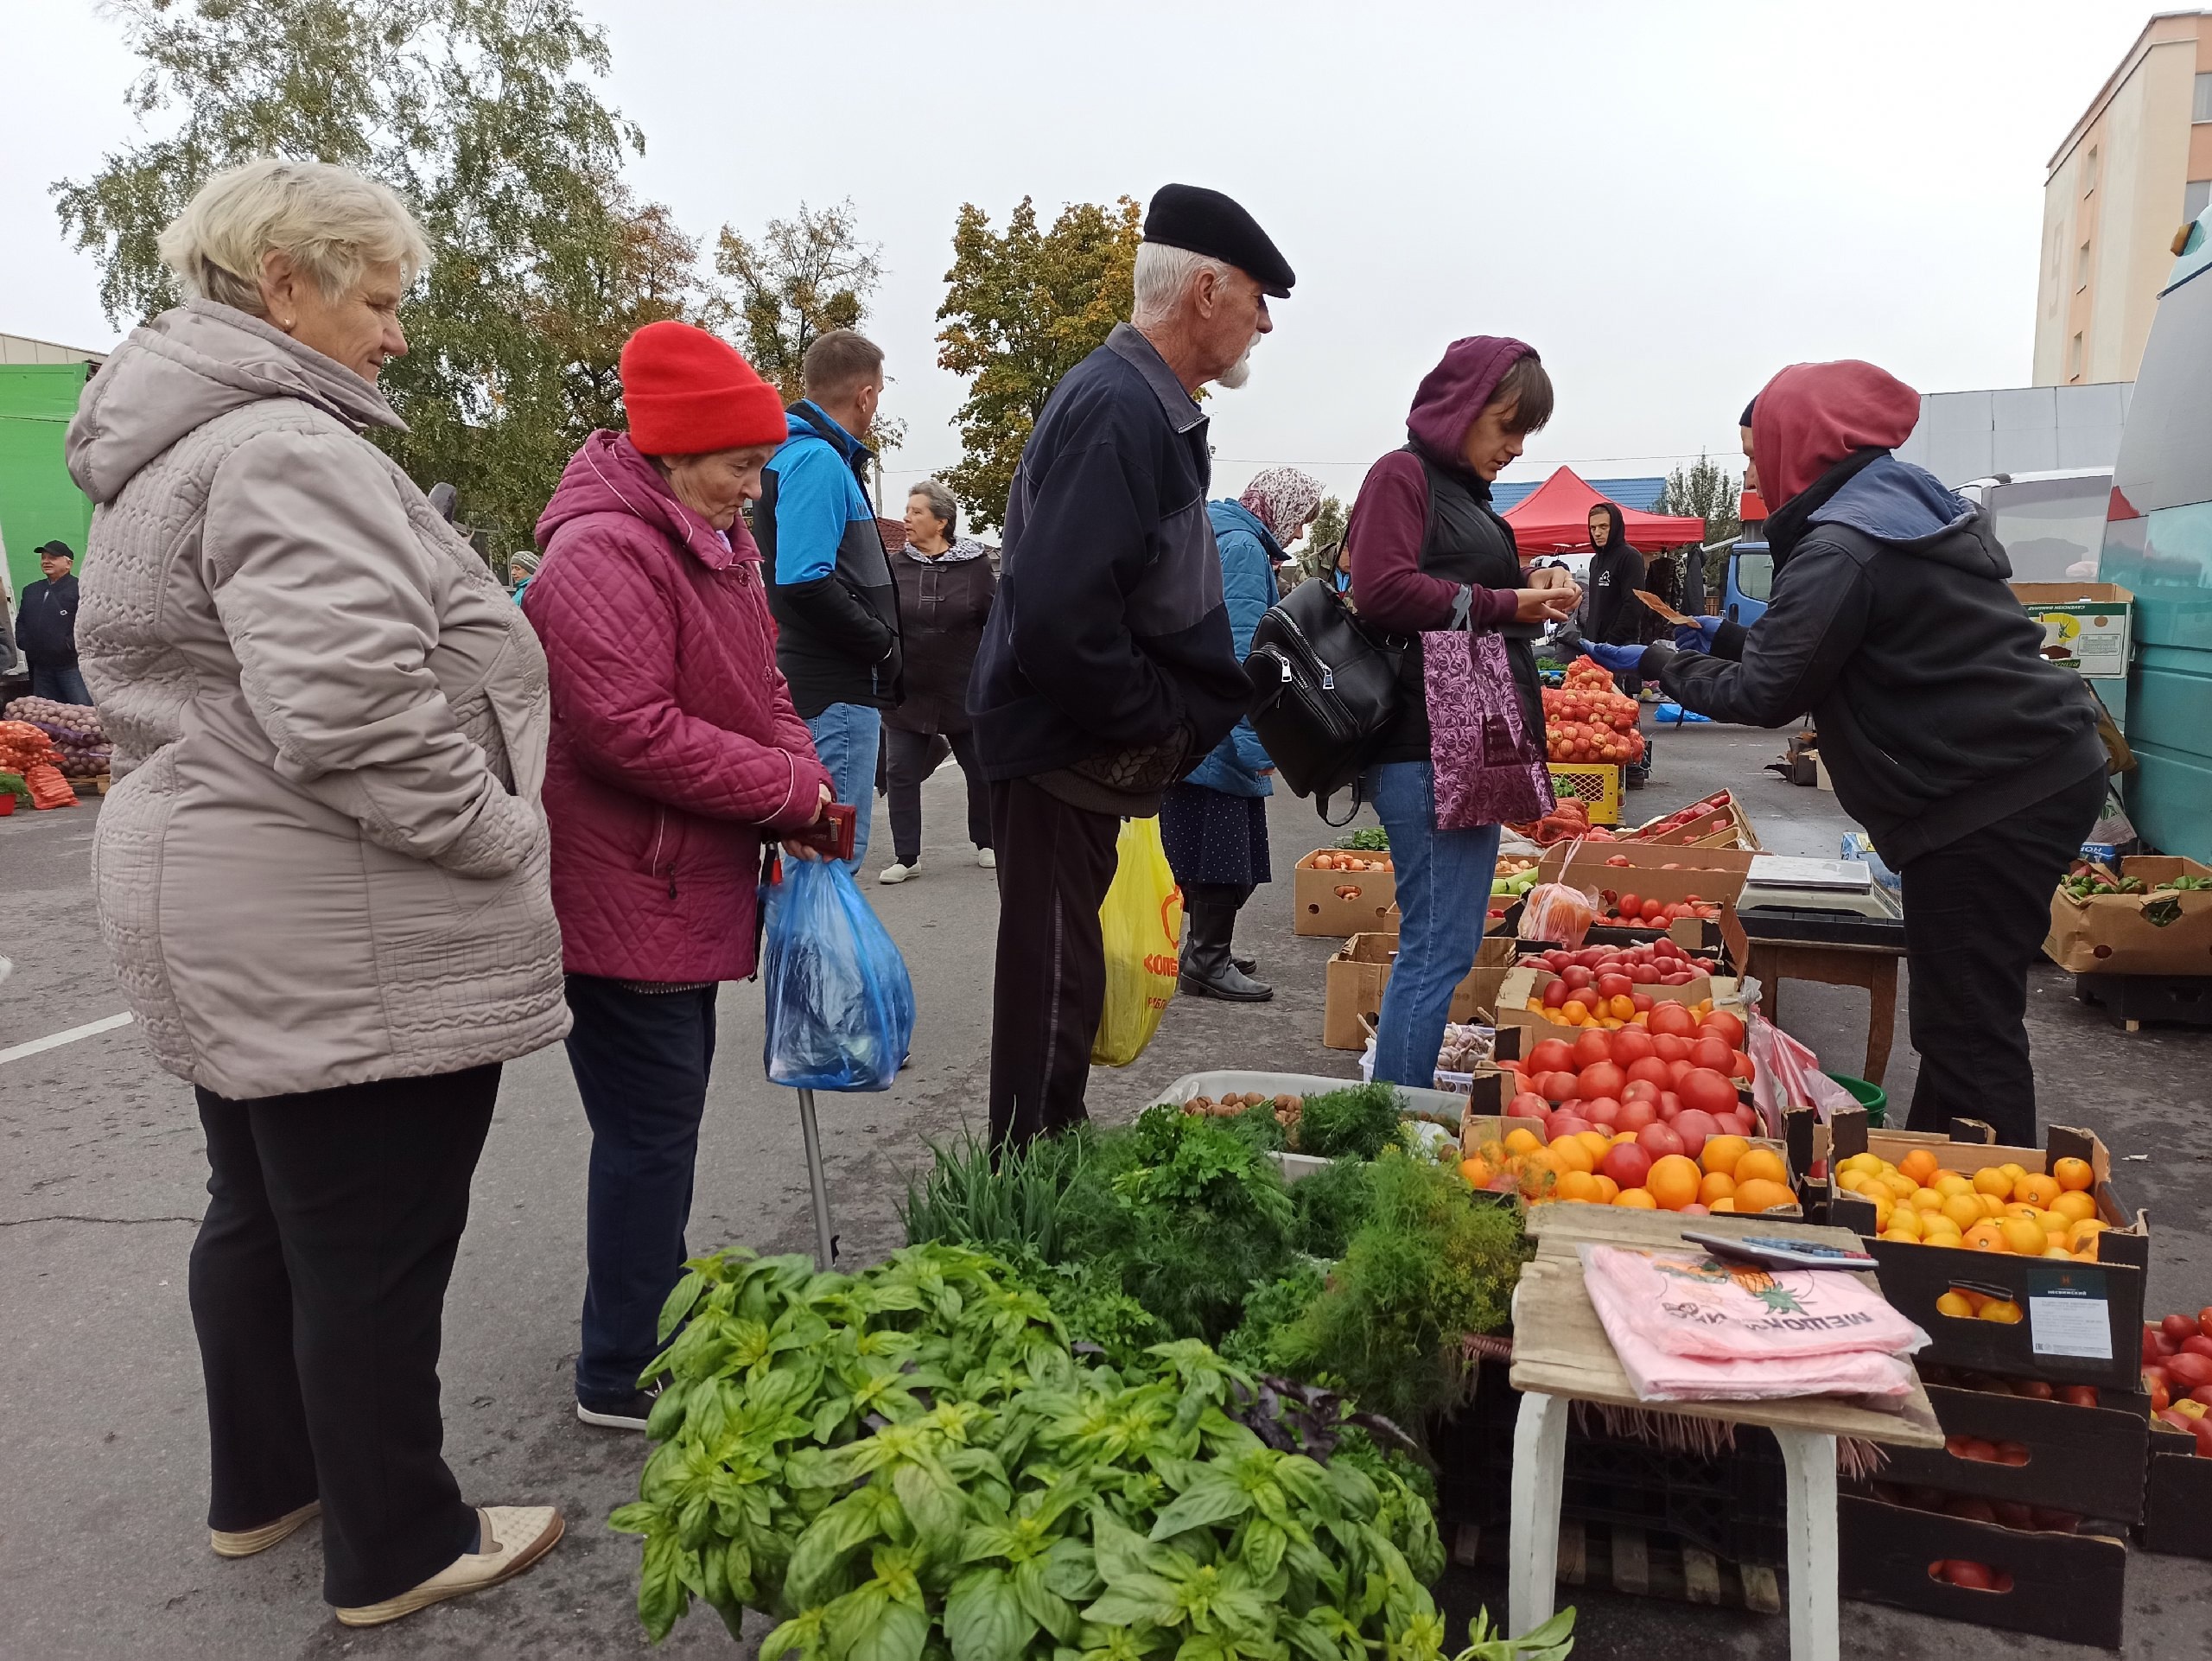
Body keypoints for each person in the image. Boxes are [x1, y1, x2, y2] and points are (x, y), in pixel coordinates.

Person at [64, 158, 568, 1626]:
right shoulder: (283, 444)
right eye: (381, 297)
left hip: (227, 884)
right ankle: (400, 1540)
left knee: (264, 1210)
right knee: (370, 1238)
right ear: (284, 278)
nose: (400, 333)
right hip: (328, 902)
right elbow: (354, 705)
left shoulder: (170, 448)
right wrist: (493, 832)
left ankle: (267, 1484)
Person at [1586, 360, 2106, 1147]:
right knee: (1959, 1015)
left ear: (1803, 443)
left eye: (1758, 450)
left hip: (1989, 801)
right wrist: (1719, 636)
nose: (1754, 470)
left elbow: (1769, 693)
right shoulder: (1888, 511)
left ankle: (2002, 1225)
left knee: (1969, 1027)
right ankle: (1938, 1172)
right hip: (2025, 776)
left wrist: (1662, 664)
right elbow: (1833, 645)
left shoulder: (1842, 545)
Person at [523, 320, 836, 1431]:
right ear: (675, 451)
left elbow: (764, 686)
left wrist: (801, 779)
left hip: (678, 876)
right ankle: (620, 1366)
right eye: (741, 466)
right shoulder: (603, 551)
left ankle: (650, 1302)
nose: (754, 491)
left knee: (664, 1120)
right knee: (650, 1127)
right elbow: (625, 728)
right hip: (625, 884)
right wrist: (778, 791)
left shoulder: (709, 541)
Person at [969, 182, 1291, 1146]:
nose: (1263, 323)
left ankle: (1041, 1161)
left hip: (1076, 746)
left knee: (1062, 978)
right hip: (1064, 745)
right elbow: (1064, 619)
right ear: (1204, 291)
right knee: (1054, 983)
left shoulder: (1144, 404)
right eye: (1256, 299)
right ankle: (1027, 1189)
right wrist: (1157, 717)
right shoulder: (1119, 407)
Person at [1344, 337, 1580, 1089]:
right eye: (1506, 427)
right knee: (1436, 948)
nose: (1514, 448)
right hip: (1427, 741)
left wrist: (1530, 585)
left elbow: (1474, 597)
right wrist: (1509, 599)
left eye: (1523, 434)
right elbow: (1380, 589)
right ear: (1461, 408)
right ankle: (1396, 1126)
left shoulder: (1463, 495)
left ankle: (1397, 1118)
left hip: (1471, 737)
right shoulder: (1401, 475)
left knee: (1444, 945)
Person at [1162, 465, 1323, 1001]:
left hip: (1193, 719)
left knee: (1209, 847)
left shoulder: (1217, 532)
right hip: (1220, 727)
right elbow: (1245, 653)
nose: (1299, 533)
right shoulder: (1245, 550)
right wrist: (1257, 742)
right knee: (1225, 855)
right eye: (1301, 519)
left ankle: (1206, 949)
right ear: (1279, 505)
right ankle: (1206, 959)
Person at [755, 329, 901, 872]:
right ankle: (813, 963)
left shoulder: (800, 453)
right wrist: (882, 645)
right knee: (824, 866)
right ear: (864, 394)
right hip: (834, 693)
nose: (876, 406)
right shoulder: (817, 460)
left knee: (816, 865)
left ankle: (807, 960)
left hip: (825, 687)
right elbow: (803, 581)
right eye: (879, 394)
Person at [880, 478, 996, 883]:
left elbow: (994, 622)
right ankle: (906, 856)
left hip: (963, 686)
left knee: (979, 768)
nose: (907, 519)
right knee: (900, 773)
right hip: (908, 690)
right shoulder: (896, 566)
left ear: (942, 521)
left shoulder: (977, 566)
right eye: (907, 511)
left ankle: (987, 841)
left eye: (916, 512)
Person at [1580, 501, 1651, 786]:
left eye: (1603, 527)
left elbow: (1633, 604)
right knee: (1599, 712)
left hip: (1620, 648)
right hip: (1596, 648)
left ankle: (1633, 766)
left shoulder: (1629, 557)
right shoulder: (1597, 562)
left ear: (1616, 526)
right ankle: (1607, 764)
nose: (1598, 533)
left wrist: (1612, 643)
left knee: (1622, 710)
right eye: (1593, 527)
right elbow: (1596, 607)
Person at [16, 540, 93, 706]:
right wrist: (23, 641)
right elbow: (21, 620)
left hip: (71, 666)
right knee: (46, 713)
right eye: (43, 558)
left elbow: (89, 624)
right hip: (41, 667)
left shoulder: (81, 589)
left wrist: (68, 645)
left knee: (82, 713)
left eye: (53, 557)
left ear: (68, 563)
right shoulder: (31, 590)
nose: (46, 561)